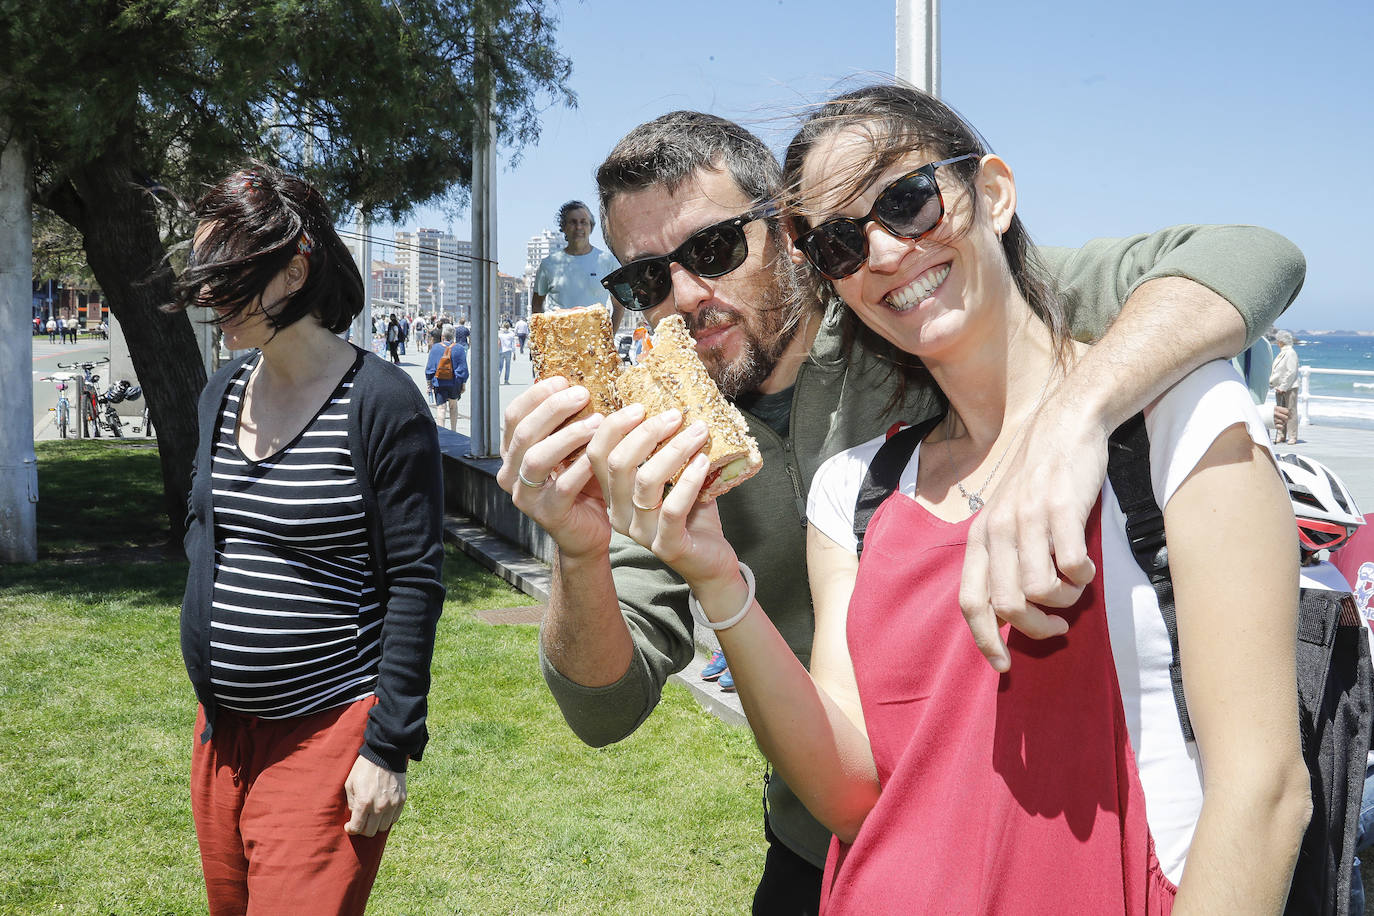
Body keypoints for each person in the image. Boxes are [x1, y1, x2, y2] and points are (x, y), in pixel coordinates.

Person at [496, 110, 1304, 912]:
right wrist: (576, 547)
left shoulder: (906, 300)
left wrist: (1070, 418)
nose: (683, 296)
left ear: (785, 236)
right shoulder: (658, 442)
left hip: (1075, 844)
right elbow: (603, 709)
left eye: (712, 250)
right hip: (831, 842)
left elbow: (1248, 257)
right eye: (646, 279)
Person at [171, 165, 445, 915]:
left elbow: (417, 584)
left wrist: (387, 747)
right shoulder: (220, 392)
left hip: (327, 732)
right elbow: (209, 534)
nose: (206, 294)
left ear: (295, 269)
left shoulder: (383, 404)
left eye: (228, 274)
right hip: (222, 736)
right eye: (204, 273)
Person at [531, 200, 624, 327]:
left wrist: (610, 336)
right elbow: (536, 306)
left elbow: (619, 305)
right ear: (563, 227)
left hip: (594, 343)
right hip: (559, 342)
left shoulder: (608, 262)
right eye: (573, 222)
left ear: (591, 227)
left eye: (583, 222)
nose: (579, 227)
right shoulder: (548, 264)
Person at [426, 325, 468, 430]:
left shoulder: (435, 348)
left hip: (439, 381)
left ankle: (442, 432)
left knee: (441, 408)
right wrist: (463, 383)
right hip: (454, 382)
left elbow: (430, 368)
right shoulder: (459, 348)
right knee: (453, 406)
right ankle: (453, 430)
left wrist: (429, 384)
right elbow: (463, 369)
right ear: (454, 336)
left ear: (443, 335)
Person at [1271, 329, 1301, 444]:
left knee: (1291, 411)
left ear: (1281, 341)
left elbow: (1291, 372)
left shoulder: (1290, 353)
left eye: (1278, 340)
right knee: (1281, 412)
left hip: (1289, 387)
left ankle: (1292, 436)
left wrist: (1283, 387)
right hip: (1280, 387)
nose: (1277, 342)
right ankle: (1281, 435)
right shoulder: (1283, 352)